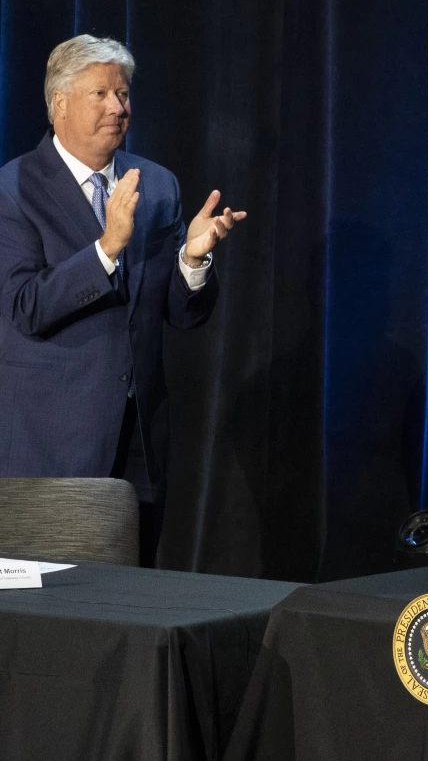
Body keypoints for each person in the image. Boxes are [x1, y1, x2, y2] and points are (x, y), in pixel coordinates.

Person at [0, 34, 246, 566]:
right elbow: (24, 306)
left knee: (127, 604)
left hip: (140, 444)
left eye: (124, 93)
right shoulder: (14, 187)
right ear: (59, 102)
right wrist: (106, 247)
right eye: (102, 94)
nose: (119, 106)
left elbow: (183, 315)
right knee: (57, 615)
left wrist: (194, 260)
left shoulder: (156, 185)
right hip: (51, 447)